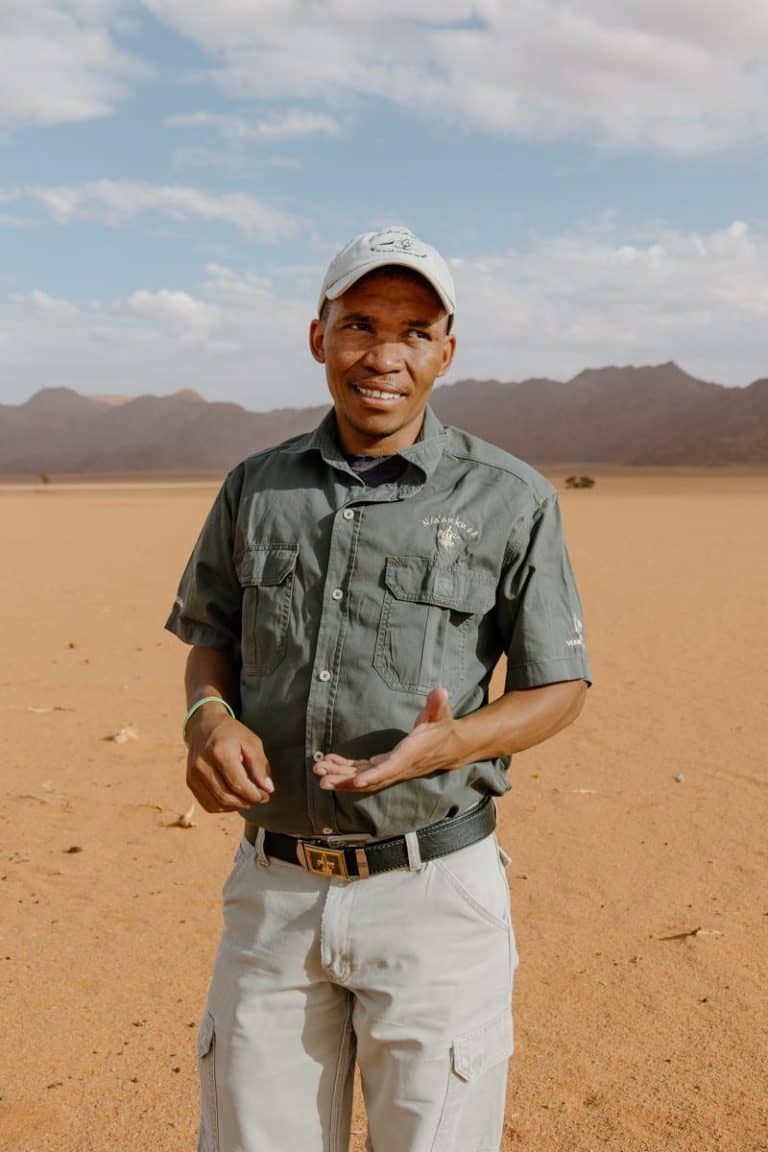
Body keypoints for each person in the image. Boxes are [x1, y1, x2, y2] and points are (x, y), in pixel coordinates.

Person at [165, 225, 592, 1152]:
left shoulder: (510, 498)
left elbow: (560, 687)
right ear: (318, 336)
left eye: (413, 330)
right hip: (274, 889)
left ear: (446, 350)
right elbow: (211, 638)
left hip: (432, 890)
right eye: (359, 324)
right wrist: (207, 718)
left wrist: (456, 742)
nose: (383, 356)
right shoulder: (257, 488)